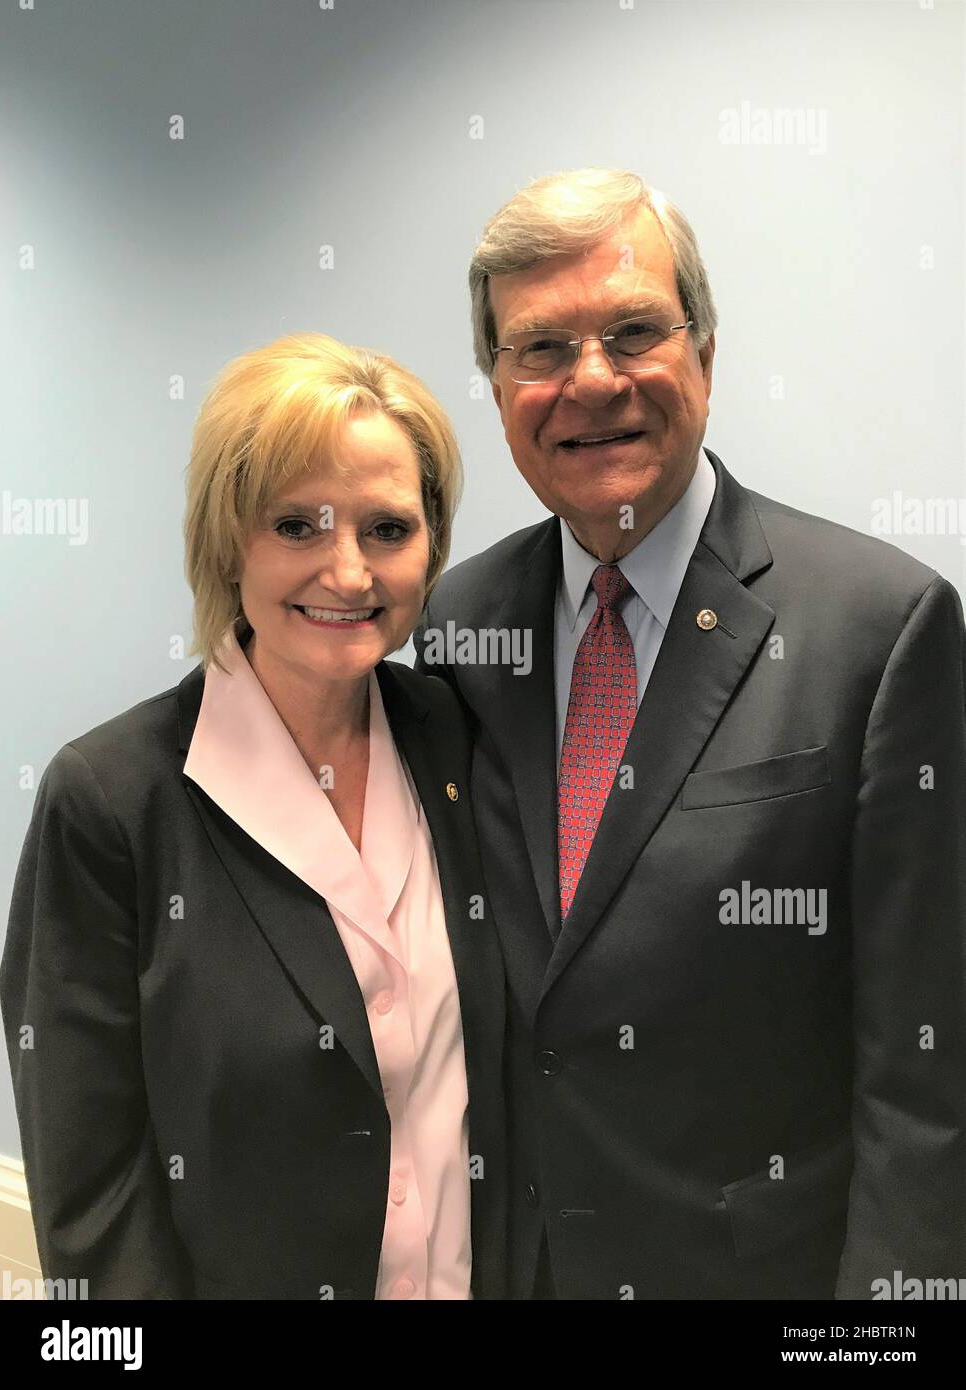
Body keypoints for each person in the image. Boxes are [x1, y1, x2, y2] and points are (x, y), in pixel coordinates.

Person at [414, 167, 966, 1300]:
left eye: (632, 331)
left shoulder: (882, 627)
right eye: (540, 348)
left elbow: (926, 1070)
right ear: (498, 383)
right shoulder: (457, 626)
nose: (592, 381)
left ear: (705, 356)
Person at [0, 332, 507, 1300]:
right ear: (228, 537)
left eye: (387, 529)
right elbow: (91, 1186)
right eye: (298, 525)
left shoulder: (460, 742)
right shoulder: (112, 798)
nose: (349, 572)